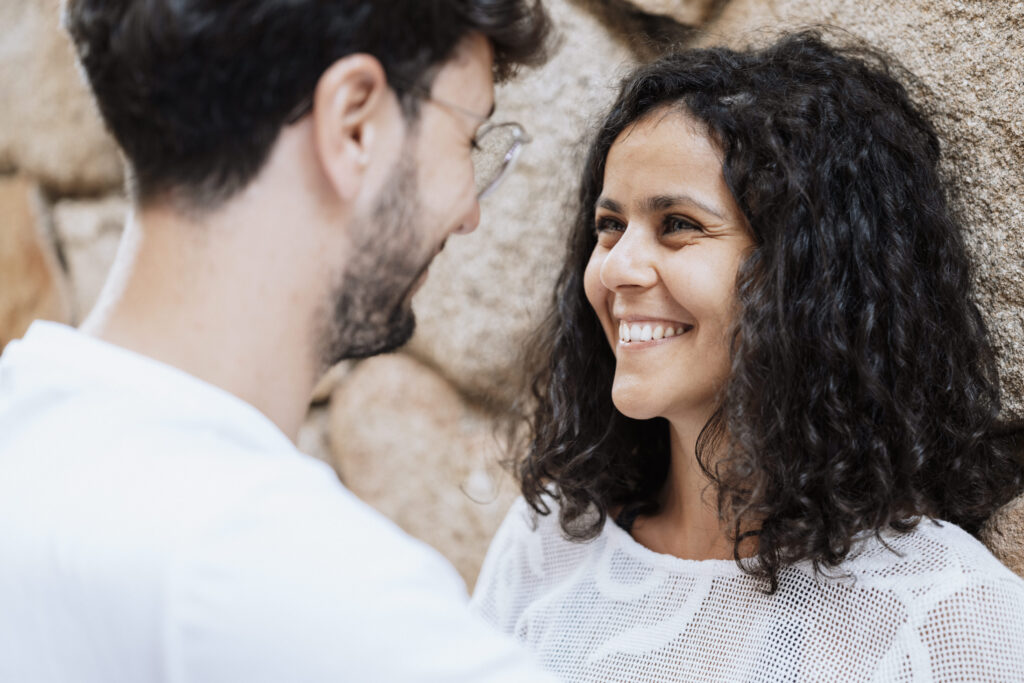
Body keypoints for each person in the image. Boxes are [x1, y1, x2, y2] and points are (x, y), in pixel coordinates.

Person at [0, 1, 560, 681]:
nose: (470, 209)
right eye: (469, 138)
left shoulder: (27, 438)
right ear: (354, 122)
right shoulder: (289, 579)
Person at [470, 31, 1024, 681]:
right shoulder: (554, 539)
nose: (615, 267)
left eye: (677, 223)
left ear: (810, 271)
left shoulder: (946, 614)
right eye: (609, 225)